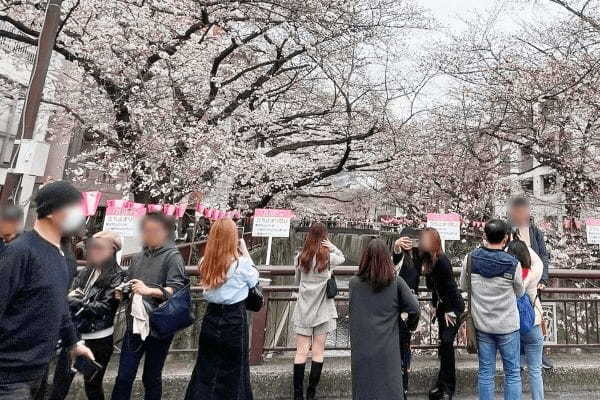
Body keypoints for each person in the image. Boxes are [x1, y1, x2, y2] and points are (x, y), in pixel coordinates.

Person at [0, 181, 94, 399]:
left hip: (39, 370)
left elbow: (58, 304)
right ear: (53, 211)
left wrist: (73, 342)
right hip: (8, 377)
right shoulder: (20, 252)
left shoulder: (62, 256)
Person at [111, 212, 186, 400]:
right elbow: (131, 282)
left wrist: (148, 290)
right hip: (135, 323)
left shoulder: (173, 257)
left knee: (151, 377)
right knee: (123, 377)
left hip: (159, 326)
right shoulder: (139, 256)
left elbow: (176, 291)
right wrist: (125, 291)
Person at [184, 218, 258, 400]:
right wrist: (245, 251)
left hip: (211, 317)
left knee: (206, 367)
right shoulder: (241, 265)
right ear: (233, 237)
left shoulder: (204, 263)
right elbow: (255, 279)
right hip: (234, 320)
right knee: (233, 370)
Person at [49, 231, 124, 400]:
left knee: (92, 386)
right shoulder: (86, 271)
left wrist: (75, 301)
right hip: (75, 336)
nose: (93, 251)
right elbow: (71, 292)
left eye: (99, 247)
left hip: (99, 340)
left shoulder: (118, 276)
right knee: (60, 383)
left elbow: (104, 307)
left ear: (112, 250)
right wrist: (74, 299)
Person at [460, 219, 525, 400]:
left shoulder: (470, 259)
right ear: (505, 238)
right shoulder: (512, 263)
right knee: (512, 373)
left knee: (486, 373)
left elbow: (464, 286)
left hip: (482, 326)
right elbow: (520, 292)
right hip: (508, 327)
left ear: (484, 236)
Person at [349, 239, 420, 400]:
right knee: (389, 390)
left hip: (362, 349)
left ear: (365, 258)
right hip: (388, 350)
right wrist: (410, 325)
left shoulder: (354, 284)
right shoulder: (396, 283)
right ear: (386, 258)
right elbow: (414, 308)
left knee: (364, 390)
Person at [292, 222, 345, 400]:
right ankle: (311, 393)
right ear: (324, 237)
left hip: (304, 310)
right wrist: (332, 246)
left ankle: (297, 395)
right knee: (318, 352)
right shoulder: (328, 257)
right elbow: (342, 257)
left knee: (301, 352)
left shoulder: (301, 257)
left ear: (308, 236)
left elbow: (297, 282)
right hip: (323, 310)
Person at [508, 196, 553, 369]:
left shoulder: (535, 231)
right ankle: (519, 356)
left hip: (532, 278)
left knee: (535, 317)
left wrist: (543, 278)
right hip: (516, 279)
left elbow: (543, 256)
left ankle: (539, 355)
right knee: (516, 318)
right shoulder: (510, 231)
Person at [420, 228, 465, 400]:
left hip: (453, 307)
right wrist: (434, 305)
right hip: (442, 308)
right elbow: (435, 287)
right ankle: (441, 384)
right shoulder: (429, 259)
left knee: (446, 343)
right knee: (443, 346)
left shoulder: (443, 261)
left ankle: (448, 388)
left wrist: (449, 311)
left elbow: (450, 288)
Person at [506, 239, 544, 400]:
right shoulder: (533, 272)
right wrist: (522, 243)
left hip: (513, 325)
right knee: (535, 370)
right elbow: (539, 261)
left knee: (514, 370)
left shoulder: (508, 275)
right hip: (532, 323)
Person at [392, 228, 422, 400]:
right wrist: (397, 246)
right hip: (399, 308)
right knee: (401, 346)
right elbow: (396, 257)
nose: (409, 243)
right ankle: (400, 386)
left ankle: (404, 386)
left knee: (405, 346)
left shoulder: (418, 256)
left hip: (411, 308)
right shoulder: (400, 255)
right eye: (406, 240)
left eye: (412, 239)